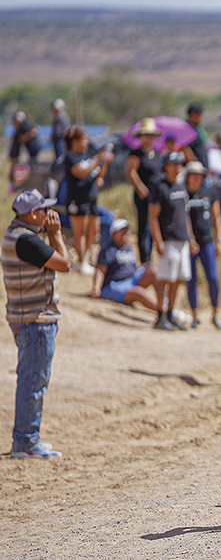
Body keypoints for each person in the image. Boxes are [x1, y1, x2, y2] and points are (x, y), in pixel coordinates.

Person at [2, 189, 71, 459]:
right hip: (36, 320)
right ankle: (26, 442)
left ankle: (27, 438)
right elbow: (64, 263)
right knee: (33, 382)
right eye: (44, 210)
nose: (49, 215)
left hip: (27, 319)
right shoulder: (27, 241)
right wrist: (55, 234)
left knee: (31, 380)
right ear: (33, 214)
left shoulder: (16, 234)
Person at [149, 152, 197, 331]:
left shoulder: (180, 186)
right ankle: (160, 314)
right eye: (174, 163)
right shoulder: (160, 187)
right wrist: (158, 240)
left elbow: (185, 214)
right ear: (166, 166)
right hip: (168, 239)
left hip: (182, 239)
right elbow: (153, 216)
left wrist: (190, 236)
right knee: (164, 278)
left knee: (177, 279)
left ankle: (170, 313)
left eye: (180, 164)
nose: (178, 167)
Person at [63, 126, 113, 274]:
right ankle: (80, 262)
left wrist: (105, 162)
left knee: (94, 231)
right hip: (77, 200)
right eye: (83, 141)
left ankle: (83, 257)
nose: (86, 144)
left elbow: (98, 176)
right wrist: (98, 159)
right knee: (81, 232)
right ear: (74, 142)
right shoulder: (70, 158)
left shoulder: (87, 157)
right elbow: (81, 173)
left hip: (92, 201)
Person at [184, 161, 221, 330]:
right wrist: (190, 238)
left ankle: (216, 312)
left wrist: (220, 239)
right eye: (193, 175)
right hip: (190, 244)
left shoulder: (209, 193)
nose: (196, 179)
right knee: (191, 279)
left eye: (199, 176)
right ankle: (195, 315)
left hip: (207, 241)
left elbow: (217, 218)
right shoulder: (183, 194)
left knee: (213, 278)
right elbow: (183, 219)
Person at [91, 219, 159, 311]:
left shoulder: (129, 248)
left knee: (153, 271)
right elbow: (100, 270)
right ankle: (164, 311)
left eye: (127, 231)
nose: (126, 233)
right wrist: (96, 289)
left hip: (131, 281)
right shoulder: (108, 249)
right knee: (138, 292)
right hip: (115, 285)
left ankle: (167, 303)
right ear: (114, 233)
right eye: (122, 231)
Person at [125, 117, 164, 264]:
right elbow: (131, 171)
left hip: (157, 195)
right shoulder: (136, 154)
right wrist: (141, 189)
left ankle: (155, 256)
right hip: (145, 195)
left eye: (151, 135)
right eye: (146, 135)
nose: (149, 138)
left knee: (157, 225)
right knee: (145, 227)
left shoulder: (157, 153)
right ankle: (145, 260)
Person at [183, 102, 209, 168]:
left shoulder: (198, 129)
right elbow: (185, 147)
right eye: (199, 114)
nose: (201, 117)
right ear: (192, 114)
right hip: (194, 168)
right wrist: (194, 163)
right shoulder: (187, 129)